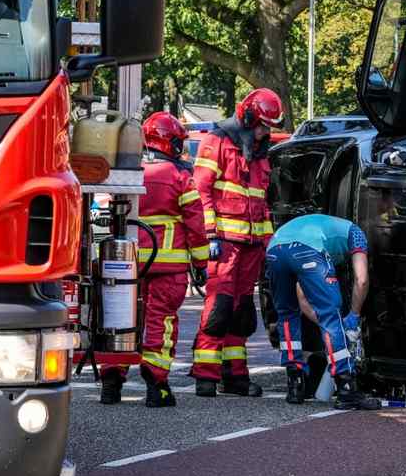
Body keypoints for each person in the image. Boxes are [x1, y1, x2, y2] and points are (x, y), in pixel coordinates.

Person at [101, 112, 209, 406]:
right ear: (168, 142)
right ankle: (156, 386)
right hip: (167, 266)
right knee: (161, 323)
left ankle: (111, 382)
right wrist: (200, 264)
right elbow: (196, 224)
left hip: (126, 264)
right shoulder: (178, 177)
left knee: (121, 320)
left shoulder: (127, 171)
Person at [189, 88, 283, 397]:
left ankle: (236, 375)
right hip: (225, 243)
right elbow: (200, 193)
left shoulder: (258, 152)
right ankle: (205, 375)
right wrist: (210, 235)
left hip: (251, 244)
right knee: (220, 306)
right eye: (263, 126)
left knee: (242, 311)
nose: (266, 133)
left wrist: (268, 242)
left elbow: (261, 202)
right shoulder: (216, 142)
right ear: (247, 117)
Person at [266, 213, 381, 410]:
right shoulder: (356, 233)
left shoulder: (325, 233)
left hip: (275, 248)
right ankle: (346, 389)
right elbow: (361, 280)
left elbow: (302, 299)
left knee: (286, 315)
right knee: (331, 314)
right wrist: (351, 317)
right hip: (306, 249)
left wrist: (331, 329)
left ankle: (295, 384)